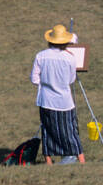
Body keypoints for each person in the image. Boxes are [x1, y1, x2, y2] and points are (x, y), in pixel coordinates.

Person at [30, 23, 84, 165]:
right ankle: (79, 158)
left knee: (47, 131)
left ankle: (49, 161)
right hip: (64, 101)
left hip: (45, 100)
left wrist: (46, 82)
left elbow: (35, 79)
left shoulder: (40, 56)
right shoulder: (70, 58)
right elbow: (71, 80)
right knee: (70, 131)